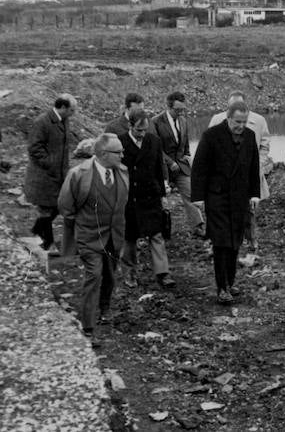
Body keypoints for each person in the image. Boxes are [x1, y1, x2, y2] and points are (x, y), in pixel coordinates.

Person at [58, 133, 128, 346]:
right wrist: (83, 226)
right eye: (119, 152)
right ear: (103, 154)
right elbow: (66, 206)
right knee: (93, 276)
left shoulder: (122, 172)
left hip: (114, 236)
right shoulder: (79, 174)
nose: (123, 155)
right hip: (89, 237)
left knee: (110, 275)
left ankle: (104, 308)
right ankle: (88, 327)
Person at [191, 101, 260, 304]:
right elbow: (199, 168)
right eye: (237, 121)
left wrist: (254, 194)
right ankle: (222, 287)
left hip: (240, 199)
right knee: (221, 243)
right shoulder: (211, 136)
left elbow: (253, 167)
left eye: (244, 122)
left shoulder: (250, 136)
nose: (241, 126)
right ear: (228, 118)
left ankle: (230, 282)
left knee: (235, 242)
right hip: (217, 198)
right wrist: (198, 198)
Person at [208, 90, 271, 252]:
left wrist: (259, 164)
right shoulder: (217, 120)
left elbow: (265, 144)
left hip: (248, 175)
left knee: (249, 209)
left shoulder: (258, 121)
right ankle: (221, 241)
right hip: (223, 178)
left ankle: (251, 240)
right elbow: (207, 146)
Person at [118, 111, 174, 288]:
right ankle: (130, 273)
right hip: (129, 198)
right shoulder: (119, 142)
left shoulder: (154, 141)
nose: (142, 134)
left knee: (156, 234)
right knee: (130, 238)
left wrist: (163, 194)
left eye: (145, 130)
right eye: (138, 130)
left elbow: (159, 168)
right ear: (130, 125)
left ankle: (163, 273)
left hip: (151, 196)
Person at [24, 93, 76, 254]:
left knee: (58, 207)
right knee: (48, 208)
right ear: (62, 107)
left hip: (58, 175)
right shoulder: (42, 122)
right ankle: (47, 242)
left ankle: (38, 231)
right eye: (72, 110)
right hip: (44, 176)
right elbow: (34, 148)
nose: (73, 114)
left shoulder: (64, 120)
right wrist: (50, 163)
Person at [149, 91, 204, 238]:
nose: (180, 112)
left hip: (181, 166)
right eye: (177, 110)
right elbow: (155, 148)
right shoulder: (155, 122)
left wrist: (187, 156)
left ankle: (198, 226)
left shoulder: (184, 121)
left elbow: (185, 144)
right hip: (162, 168)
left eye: (182, 109)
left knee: (190, 194)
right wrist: (169, 162)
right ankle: (159, 231)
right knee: (160, 200)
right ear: (168, 106)